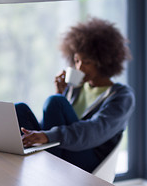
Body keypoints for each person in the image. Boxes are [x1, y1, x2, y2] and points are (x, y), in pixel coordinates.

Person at [15, 17, 135, 173]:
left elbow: (94, 131)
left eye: (86, 62)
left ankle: (43, 174)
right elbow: (56, 125)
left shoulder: (121, 96)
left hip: (88, 159)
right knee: (19, 110)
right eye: (77, 60)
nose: (79, 67)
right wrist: (61, 93)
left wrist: (48, 133)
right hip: (62, 151)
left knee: (55, 102)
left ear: (104, 61)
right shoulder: (76, 87)